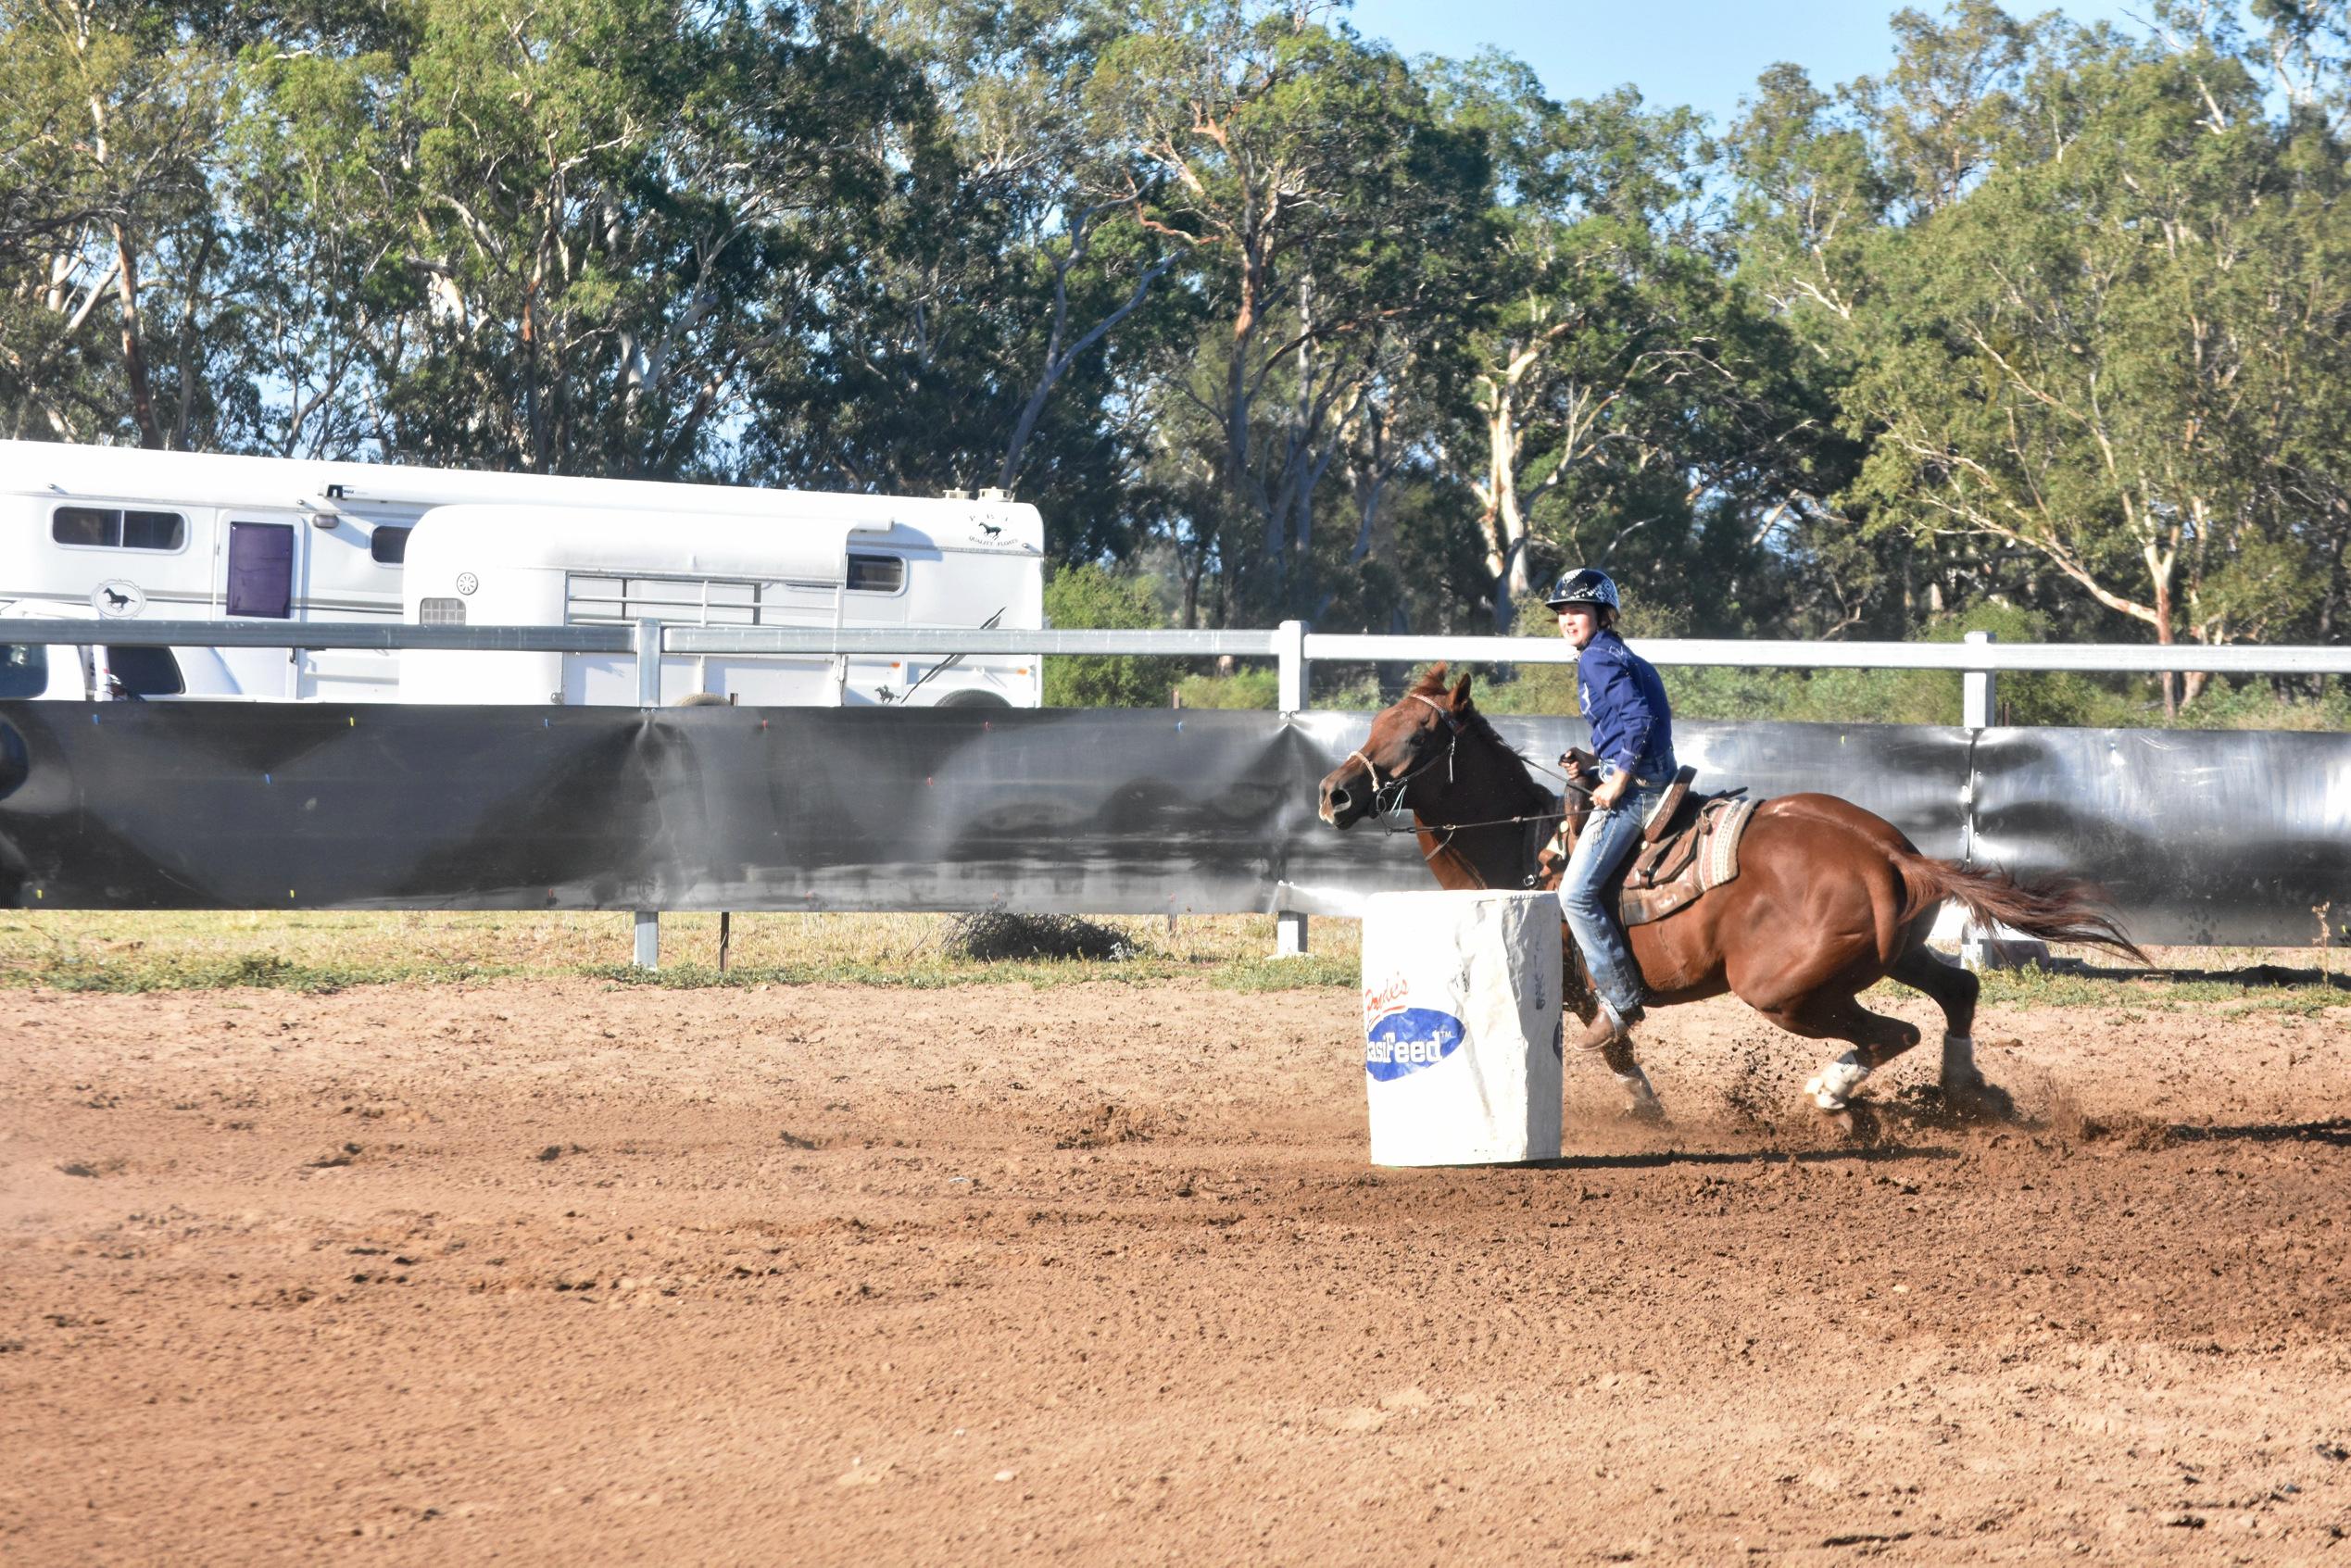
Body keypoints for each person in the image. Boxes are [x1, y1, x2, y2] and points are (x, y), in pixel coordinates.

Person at [1547, 568, 1677, 1053]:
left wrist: (1618, 778)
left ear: (1602, 614)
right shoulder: (1614, 652)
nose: (1567, 620)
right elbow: (1632, 723)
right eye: (1562, 612)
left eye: (1577, 610)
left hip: (1639, 788)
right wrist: (1594, 762)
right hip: (1648, 771)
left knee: (1575, 895)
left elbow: (1639, 719)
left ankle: (1621, 1000)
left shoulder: (1597, 659)